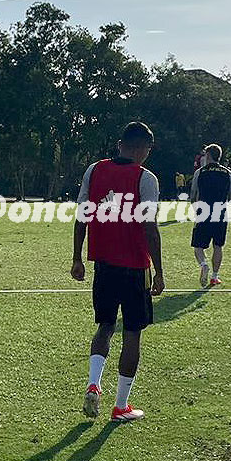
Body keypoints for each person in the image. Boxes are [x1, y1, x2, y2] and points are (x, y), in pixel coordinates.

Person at [71, 121, 165, 424]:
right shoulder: (145, 178)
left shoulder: (94, 170)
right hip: (135, 266)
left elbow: (81, 216)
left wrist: (77, 258)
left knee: (105, 326)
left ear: (120, 143)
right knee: (132, 333)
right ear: (141, 148)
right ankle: (121, 405)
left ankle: (94, 383)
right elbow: (150, 228)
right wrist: (159, 271)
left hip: (103, 265)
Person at [189, 144, 231, 288]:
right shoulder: (228, 173)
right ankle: (215, 276)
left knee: (198, 246)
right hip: (221, 212)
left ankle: (204, 264)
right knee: (218, 245)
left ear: (208, 155)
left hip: (204, 211)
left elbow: (193, 195)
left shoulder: (200, 172)